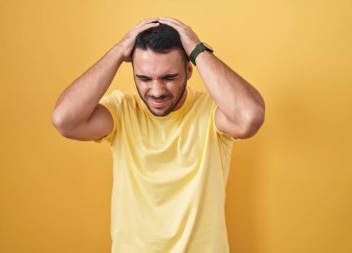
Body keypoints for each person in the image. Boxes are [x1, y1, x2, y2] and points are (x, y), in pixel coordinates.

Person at [52, 17, 265, 253]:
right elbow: (65, 120)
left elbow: (250, 117)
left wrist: (197, 49)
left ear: (188, 70)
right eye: (143, 78)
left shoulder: (212, 112)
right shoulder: (122, 112)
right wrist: (118, 50)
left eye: (169, 77)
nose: (156, 91)